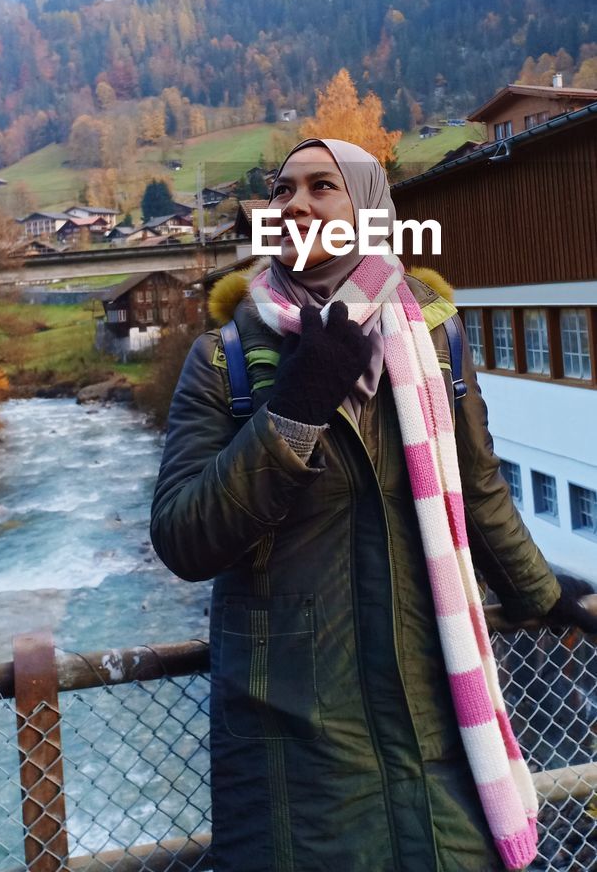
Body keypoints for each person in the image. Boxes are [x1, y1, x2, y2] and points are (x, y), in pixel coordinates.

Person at [150, 138, 595, 872]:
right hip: (291, 738)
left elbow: (476, 488)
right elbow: (184, 537)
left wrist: (543, 593)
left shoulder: (437, 339)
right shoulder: (227, 357)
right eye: (282, 189)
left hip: (437, 727)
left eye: (322, 187)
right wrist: (294, 407)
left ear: (370, 209)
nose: (293, 203)